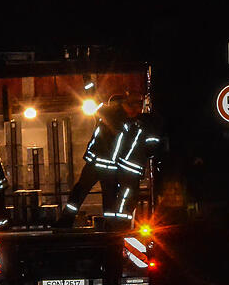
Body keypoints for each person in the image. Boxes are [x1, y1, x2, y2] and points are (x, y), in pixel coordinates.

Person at [58, 93, 128, 228]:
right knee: (109, 196)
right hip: (110, 166)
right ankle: (110, 225)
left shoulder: (103, 114)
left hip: (94, 163)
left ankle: (66, 220)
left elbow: (96, 104)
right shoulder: (124, 120)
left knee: (80, 191)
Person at [113, 93, 162, 226]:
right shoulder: (148, 125)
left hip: (125, 165)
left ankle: (121, 222)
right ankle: (121, 223)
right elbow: (151, 147)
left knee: (126, 196)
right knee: (128, 196)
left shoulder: (132, 123)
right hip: (131, 167)